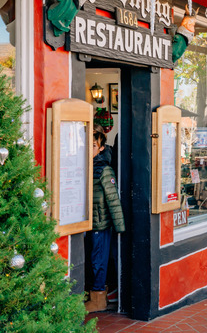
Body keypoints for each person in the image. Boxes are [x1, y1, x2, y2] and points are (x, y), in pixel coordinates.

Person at [85, 131, 125, 312]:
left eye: (94, 145)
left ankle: (99, 298)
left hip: (100, 223)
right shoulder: (85, 165)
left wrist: (119, 226)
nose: (89, 148)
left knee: (98, 260)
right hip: (87, 222)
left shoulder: (104, 169)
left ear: (101, 148)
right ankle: (95, 293)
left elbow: (113, 200)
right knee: (93, 259)